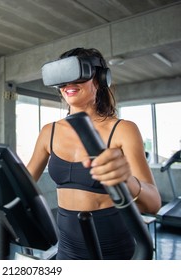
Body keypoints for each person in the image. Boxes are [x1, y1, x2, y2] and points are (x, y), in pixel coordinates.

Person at [27, 47, 162, 260]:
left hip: (112, 250)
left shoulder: (123, 129)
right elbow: (22, 185)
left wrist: (127, 180)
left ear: (100, 79)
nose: (68, 84)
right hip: (66, 251)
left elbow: (153, 204)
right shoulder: (48, 132)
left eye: (77, 75)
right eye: (62, 77)